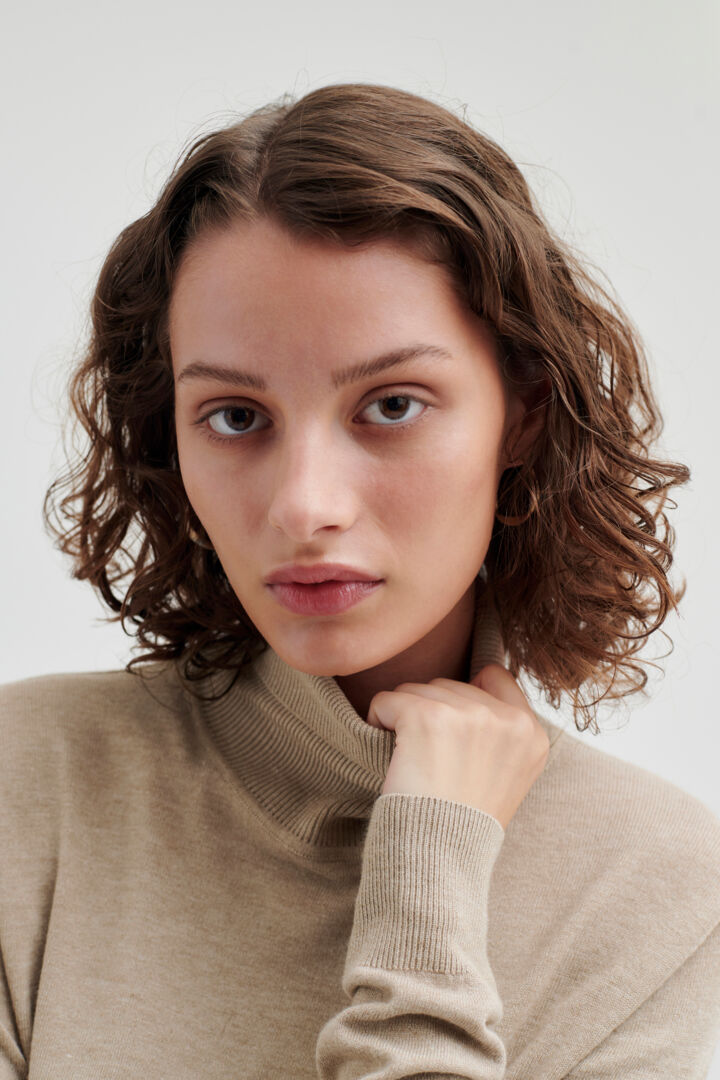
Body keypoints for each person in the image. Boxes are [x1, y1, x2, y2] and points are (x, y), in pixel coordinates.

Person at [1, 82, 718, 1080]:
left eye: (391, 405)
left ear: (524, 413)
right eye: (236, 417)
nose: (305, 506)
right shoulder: (25, 789)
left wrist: (429, 856)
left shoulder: (652, 887)